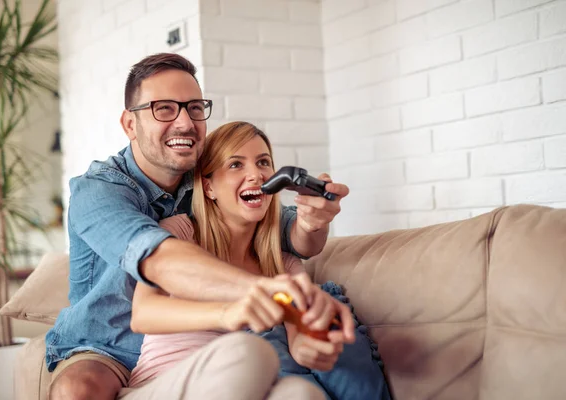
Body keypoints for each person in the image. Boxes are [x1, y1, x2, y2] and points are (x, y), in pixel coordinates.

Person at [46, 53, 351, 400]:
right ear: (130, 124)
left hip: (195, 352)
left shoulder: (210, 184)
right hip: (107, 347)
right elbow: (158, 260)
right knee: (77, 389)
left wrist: (314, 221)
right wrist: (264, 294)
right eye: (163, 108)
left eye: (193, 108)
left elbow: (289, 235)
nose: (184, 122)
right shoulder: (99, 190)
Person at [127, 121, 390, 400]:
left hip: (240, 387)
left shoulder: (283, 264)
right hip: (165, 383)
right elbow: (143, 314)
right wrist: (230, 313)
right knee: (249, 352)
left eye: (263, 162)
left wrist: (317, 349)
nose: (256, 174)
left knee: (301, 393)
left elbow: (299, 342)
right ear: (208, 187)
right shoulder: (178, 233)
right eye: (236, 165)